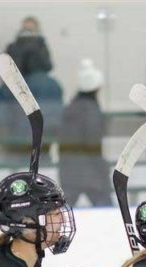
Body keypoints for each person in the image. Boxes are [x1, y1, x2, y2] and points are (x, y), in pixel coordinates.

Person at [58, 59, 112, 207]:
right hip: (91, 174)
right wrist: (102, 169)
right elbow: (92, 145)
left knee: (63, 214)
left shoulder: (70, 108)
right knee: (107, 212)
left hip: (69, 171)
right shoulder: (91, 111)